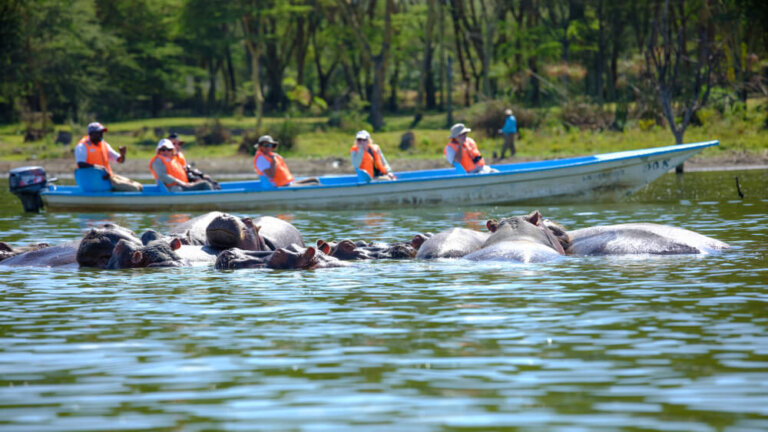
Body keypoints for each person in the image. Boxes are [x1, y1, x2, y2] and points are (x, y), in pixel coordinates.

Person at [74, 122, 143, 192]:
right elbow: (81, 164)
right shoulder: (81, 147)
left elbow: (119, 160)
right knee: (135, 189)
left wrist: (122, 155)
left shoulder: (104, 145)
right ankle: (114, 192)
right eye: (99, 132)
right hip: (95, 181)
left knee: (140, 186)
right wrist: (101, 169)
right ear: (91, 134)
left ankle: (115, 191)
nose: (101, 135)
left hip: (109, 178)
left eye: (102, 132)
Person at [253, 135, 319, 187]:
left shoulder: (271, 155)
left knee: (315, 180)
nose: (268, 147)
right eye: (265, 145)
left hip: (287, 183)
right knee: (314, 184)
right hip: (280, 186)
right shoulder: (261, 159)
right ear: (260, 146)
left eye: (270, 145)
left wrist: (275, 158)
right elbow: (271, 176)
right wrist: (273, 161)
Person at [150, 139, 214, 191]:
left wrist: (191, 180)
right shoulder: (158, 160)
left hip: (182, 186)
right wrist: (181, 183)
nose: (166, 152)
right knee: (205, 185)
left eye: (169, 150)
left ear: (172, 151)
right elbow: (162, 176)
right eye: (163, 149)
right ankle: (212, 204)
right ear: (159, 151)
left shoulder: (173, 161)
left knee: (206, 181)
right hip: (173, 188)